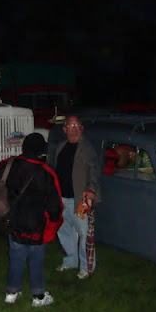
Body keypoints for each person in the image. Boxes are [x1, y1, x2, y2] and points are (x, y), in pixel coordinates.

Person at [0, 132, 63, 307]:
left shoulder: (10, 164)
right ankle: (38, 296)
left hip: (13, 221)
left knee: (16, 257)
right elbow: (55, 205)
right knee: (36, 260)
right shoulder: (45, 172)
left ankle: (11, 293)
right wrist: (55, 220)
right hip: (36, 225)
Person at [47, 115, 101, 279]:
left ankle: (86, 267)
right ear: (64, 130)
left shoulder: (87, 148)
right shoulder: (61, 146)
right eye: (70, 125)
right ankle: (71, 261)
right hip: (61, 199)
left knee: (84, 235)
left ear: (81, 128)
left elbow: (94, 171)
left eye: (76, 125)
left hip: (80, 200)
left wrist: (91, 189)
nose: (73, 128)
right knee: (64, 232)